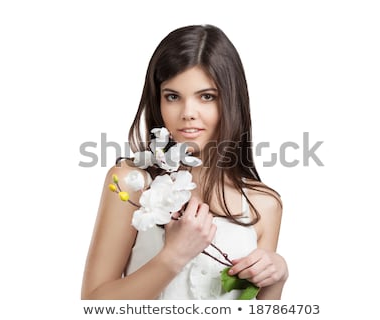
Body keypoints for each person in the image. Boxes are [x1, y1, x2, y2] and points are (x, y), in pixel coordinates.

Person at [81, 24, 288, 300]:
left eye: (206, 97)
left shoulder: (263, 204)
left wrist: (276, 279)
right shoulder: (132, 182)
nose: (188, 113)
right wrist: (173, 256)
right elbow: (94, 303)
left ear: (231, 100)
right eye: (173, 96)